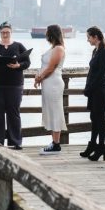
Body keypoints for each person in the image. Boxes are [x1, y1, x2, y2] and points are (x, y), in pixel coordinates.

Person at [0, 22, 31, 149]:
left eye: (7, 32)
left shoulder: (19, 46)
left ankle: (15, 142)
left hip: (15, 86)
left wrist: (18, 66)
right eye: (3, 32)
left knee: (14, 113)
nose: (5, 34)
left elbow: (27, 62)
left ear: (11, 32)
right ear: (0, 33)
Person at [80, 26, 105, 161]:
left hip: (100, 91)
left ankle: (101, 147)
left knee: (100, 120)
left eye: (89, 37)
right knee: (94, 118)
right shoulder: (96, 51)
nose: (88, 40)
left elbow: (101, 75)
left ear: (95, 37)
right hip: (93, 91)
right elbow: (92, 73)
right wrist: (88, 87)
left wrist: (90, 88)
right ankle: (92, 145)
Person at [34, 24, 67, 154]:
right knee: (51, 111)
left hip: (54, 83)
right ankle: (54, 142)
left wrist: (39, 78)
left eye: (47, 32)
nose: (46, 35)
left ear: (52, 34)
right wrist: (39, 76)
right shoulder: (53, 48)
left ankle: (56, 144)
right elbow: (45, 66)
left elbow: (51, 68)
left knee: (56, 111)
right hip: (48, 83)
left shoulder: (59, 48)